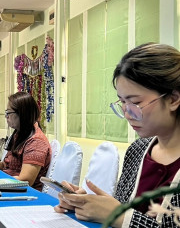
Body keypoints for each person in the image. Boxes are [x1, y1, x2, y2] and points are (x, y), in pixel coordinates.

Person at [54, 43, 180, 227]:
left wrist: (121, 217)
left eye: (135, 102)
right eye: (122, 102)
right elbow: (125, 208)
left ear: (173, 99)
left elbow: (126, 217)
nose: (128, 114)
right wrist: (89, 206)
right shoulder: (138, 150)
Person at [0, 91, 51, 191]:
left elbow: (25, 180)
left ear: (22, 114)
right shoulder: (20, 134)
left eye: (8, 113)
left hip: (23, 194)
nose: (6, 117)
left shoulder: (36, 141)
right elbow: (4, 166)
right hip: (9, 187)